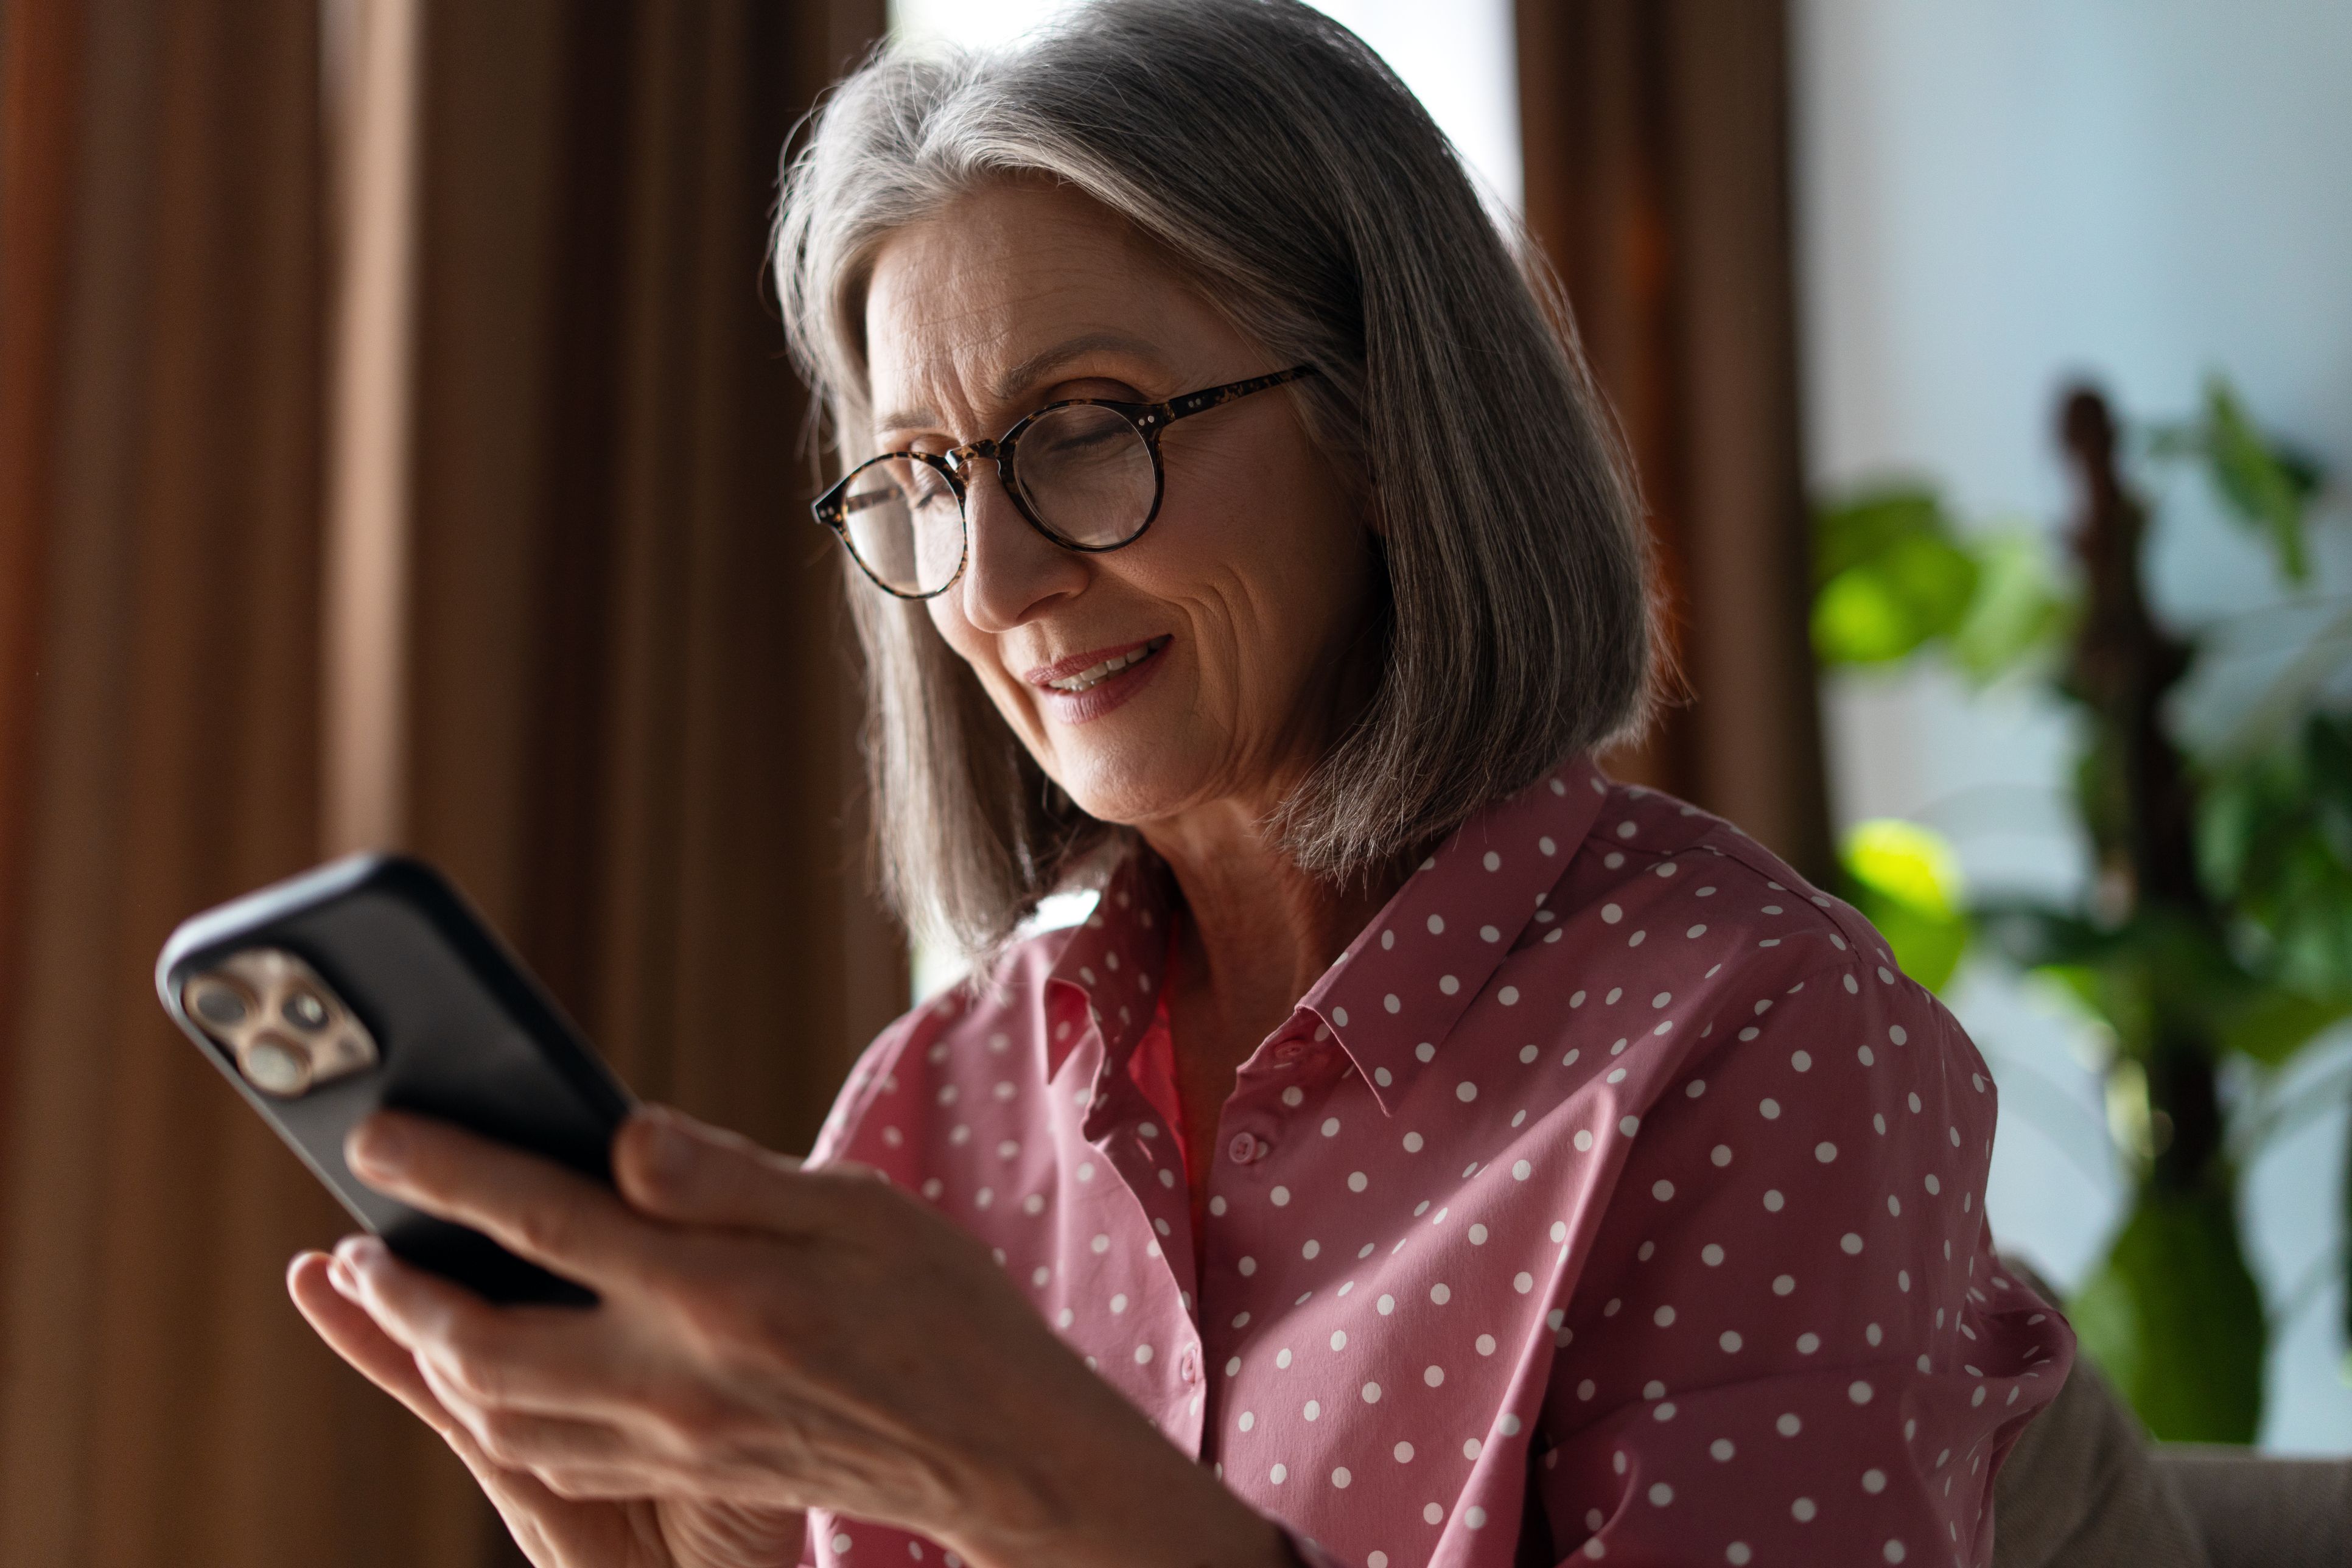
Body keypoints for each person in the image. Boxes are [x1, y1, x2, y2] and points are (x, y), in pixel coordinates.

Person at [287, 2, 2074, 1564]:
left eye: (1088, 428)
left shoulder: (1753, 1037)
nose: (989, 590)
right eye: (919, 479)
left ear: (1386, 424)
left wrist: (1038, 1489)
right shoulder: (930, 1110)